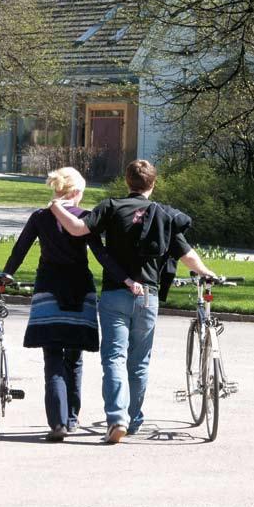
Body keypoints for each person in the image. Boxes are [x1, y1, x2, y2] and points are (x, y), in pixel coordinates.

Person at [50, 159, 216, 444]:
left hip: (115, 293)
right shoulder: (162, 215)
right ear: (153, 183)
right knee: (139, 363)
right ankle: (134, 418)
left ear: (127, 182)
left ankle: (117, 419)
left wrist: (55, 206)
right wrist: (205, 272)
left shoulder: (111, 207)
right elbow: (185, 253)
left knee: (114, 358)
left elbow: (78, 229)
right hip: (147, 297)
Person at [0, 167, 142, 442]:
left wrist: (5, 277)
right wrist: (126, 279)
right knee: (73, 359)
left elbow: (20, 249)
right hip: (79, 290)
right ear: (75, 192)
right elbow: (102, 254)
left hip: (48, 288)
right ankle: (72, 418)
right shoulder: (84, 218)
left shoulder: (40, 217)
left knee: (52, 358)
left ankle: (58, 423)